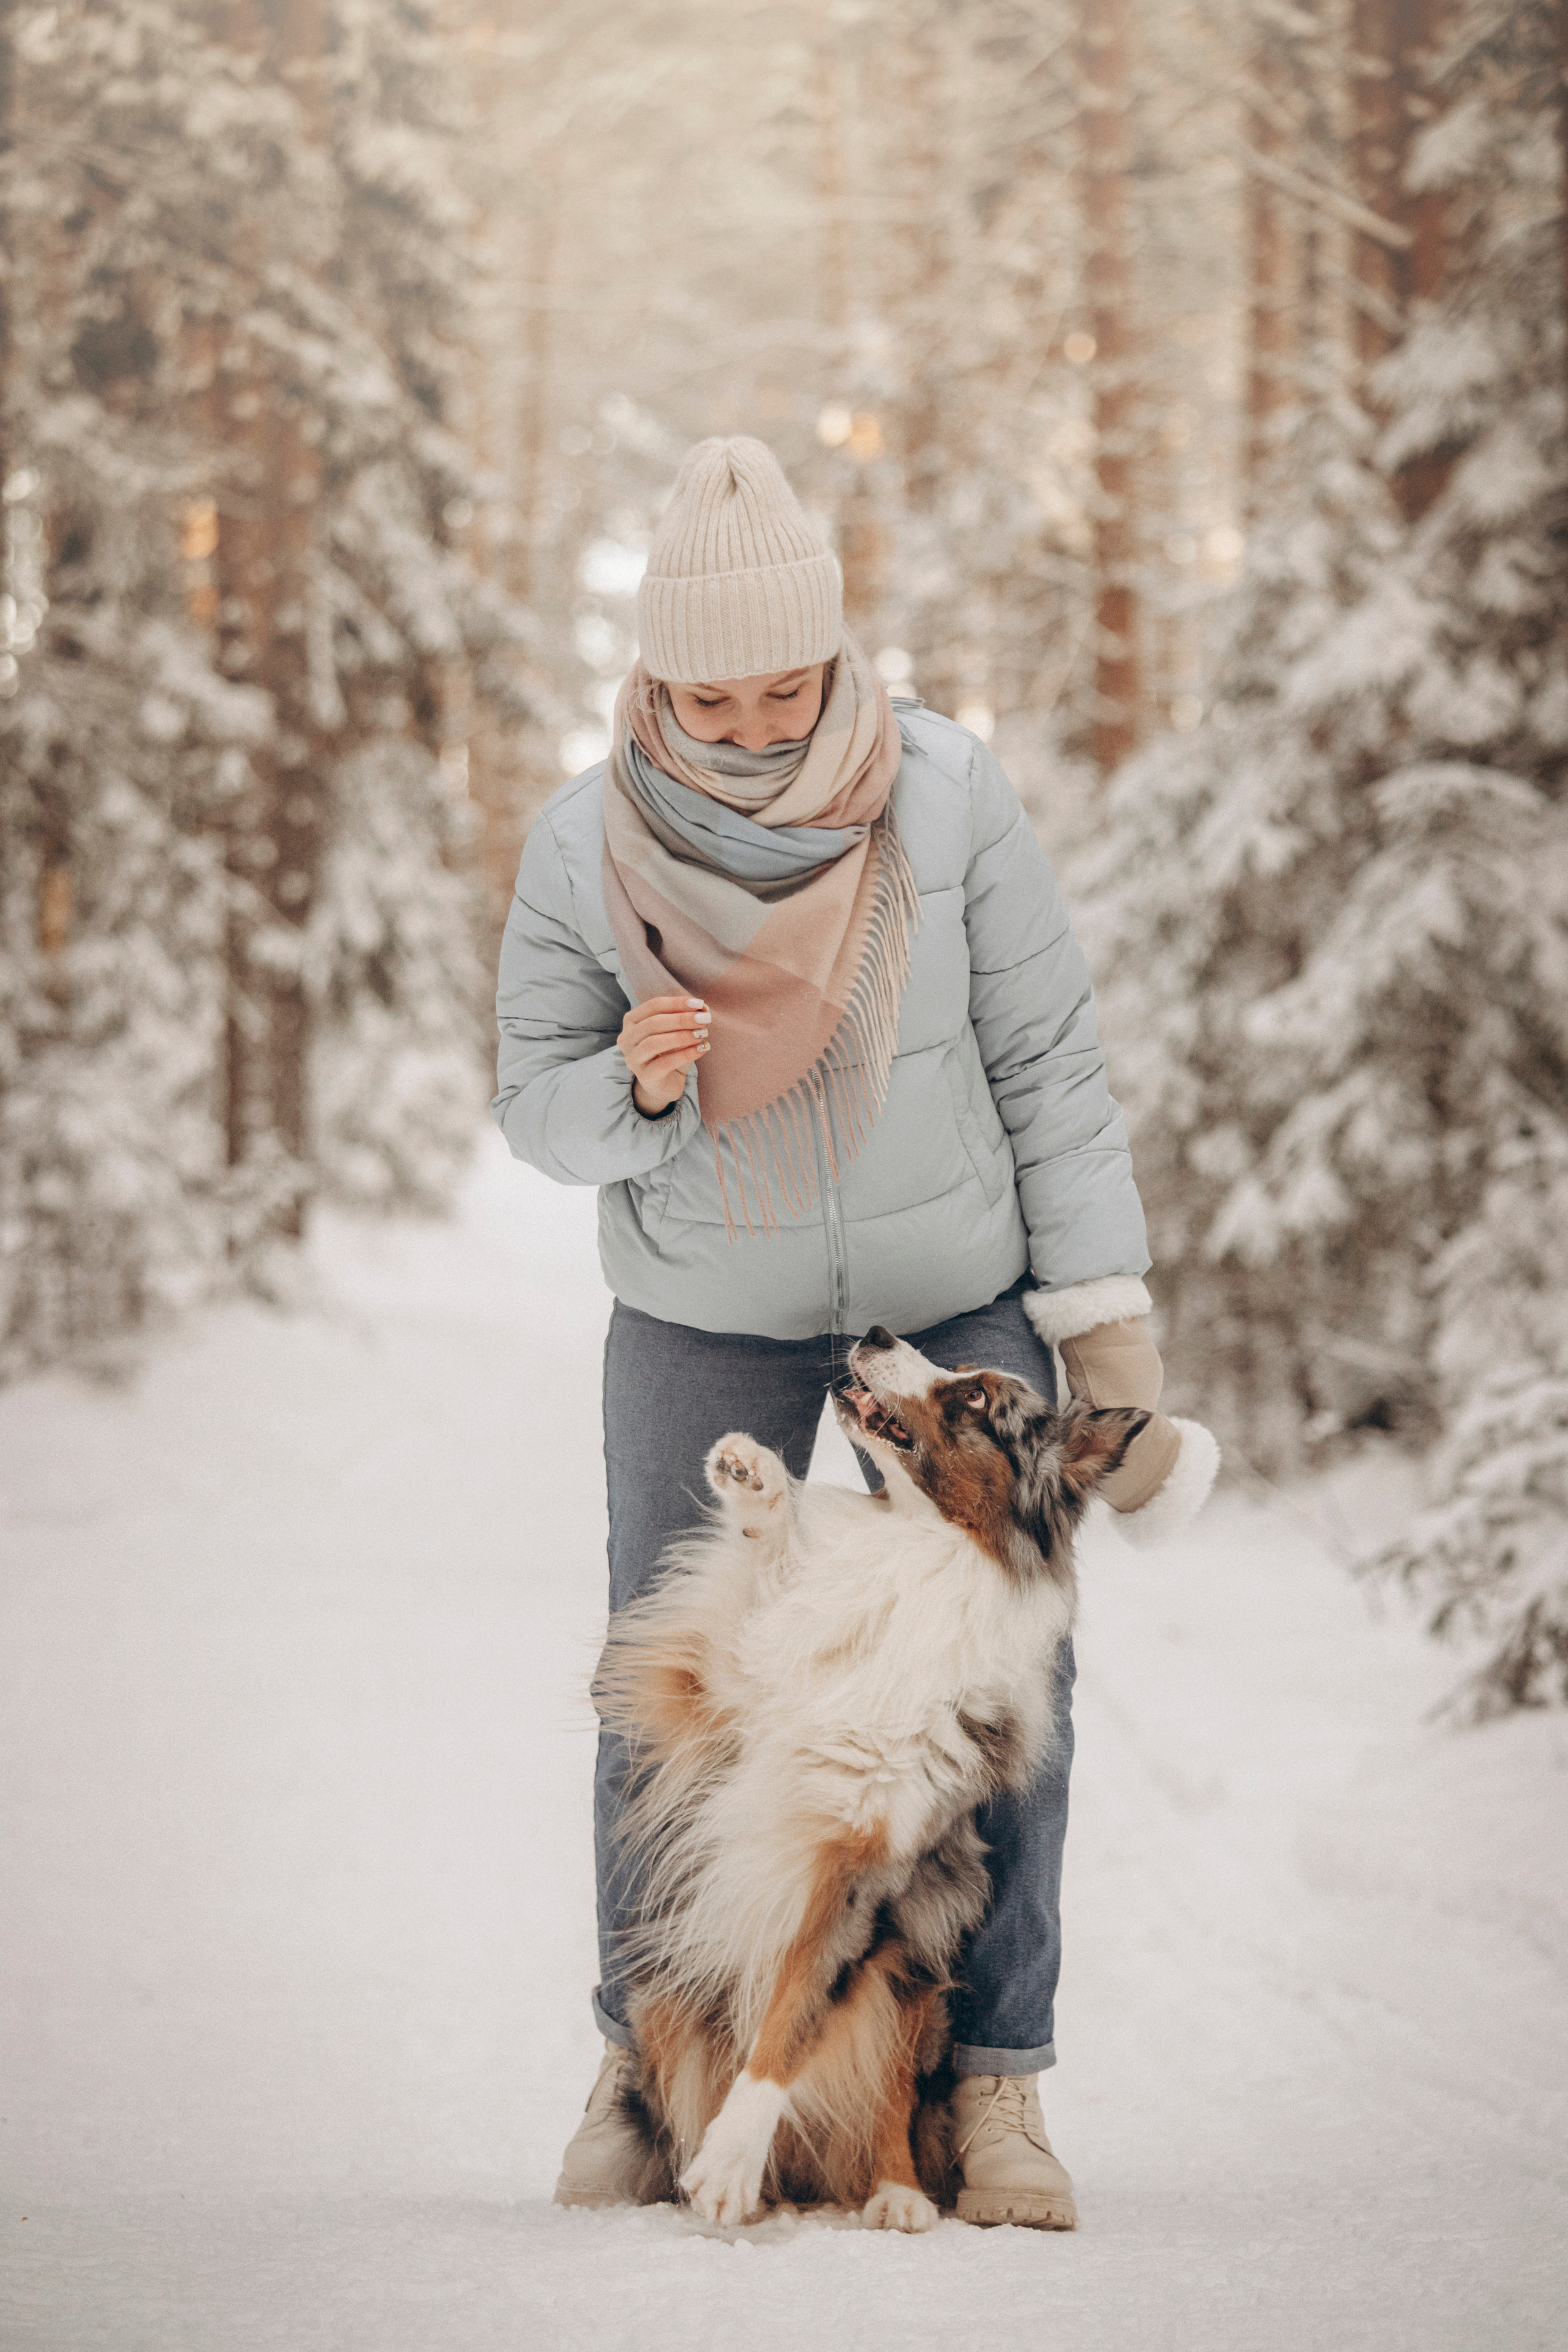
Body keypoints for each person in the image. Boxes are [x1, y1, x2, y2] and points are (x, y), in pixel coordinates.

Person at [492, 435, 1218, 2230]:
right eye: (710, 695)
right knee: (669, 1691)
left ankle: (995, 2084)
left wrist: (1103, 1332)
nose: (750, 726)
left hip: (951, 1290)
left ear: (834, 655)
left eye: (784, 687)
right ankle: (643, 2062)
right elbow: (533, 1106)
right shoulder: (585, 840)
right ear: (656, 678)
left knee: (1007, 1693)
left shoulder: (946, 794)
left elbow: (1048, 1062)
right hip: (704, 1301)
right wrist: (628, 1089)